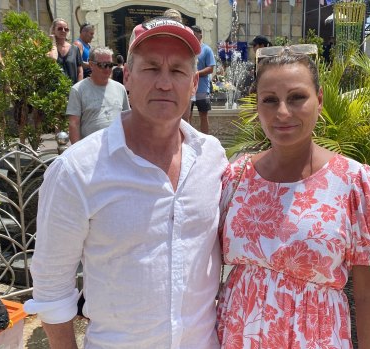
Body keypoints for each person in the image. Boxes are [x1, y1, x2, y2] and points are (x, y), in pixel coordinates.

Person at [24, 17, 228, 348]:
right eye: (151, 68)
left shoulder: (212, 158)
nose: (164, 83)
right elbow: (52, 286)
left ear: (193, 84)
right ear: (128, 78)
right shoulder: (77, 170)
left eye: (177, 71)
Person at [216, 46, 370, 348]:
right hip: (237, 336)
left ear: (320, 100)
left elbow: (368, 294)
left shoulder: (352, 182)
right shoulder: (236, 177)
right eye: (270, 100)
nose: (282, 112)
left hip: (314, 337)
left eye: (297, 98)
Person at [67, 47, 130, 144]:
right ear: (91, 65)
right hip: (90, 150)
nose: (107, 69)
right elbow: (74, 124)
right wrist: (77, 152)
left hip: (117, 148)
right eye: (103, 65)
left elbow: (127, 120)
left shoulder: (120, 88)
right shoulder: (78, 90)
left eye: (110, 65)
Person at [191, 25, 215, 134]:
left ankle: (206, 139)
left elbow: (211, 68)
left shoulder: (206, 49)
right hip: (189, 89)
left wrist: (196, 74)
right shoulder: (188, 49)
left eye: (195, 34)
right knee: (187, 114)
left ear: (200, 35)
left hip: (202, 89)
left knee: (203, 115)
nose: (193, 37)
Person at [48, 18, 83, 85]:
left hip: (72, 89)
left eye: (66, 29)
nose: (63, 31)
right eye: (60, 29)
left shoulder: (75, 49)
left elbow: (80, 70)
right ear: (53, 30)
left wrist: (78, 87)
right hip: (54, 91)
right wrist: (53, 42)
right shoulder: (49, 48)